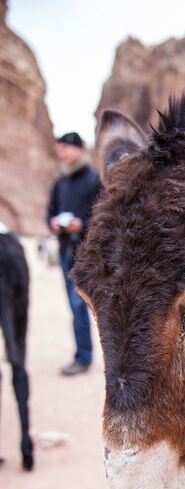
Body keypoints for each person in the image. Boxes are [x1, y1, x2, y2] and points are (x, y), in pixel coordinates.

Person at [47, 132, 103, 375]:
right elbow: (49, 212)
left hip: (86, 253)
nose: (62, 153)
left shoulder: (93, 179)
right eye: (59, 149)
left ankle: (84, 357)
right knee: (74, 306)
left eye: (66, 148)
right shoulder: (60, 181)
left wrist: (82, 225)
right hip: (64, 250)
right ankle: (83, 353)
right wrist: (54, 223)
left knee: (81, 304)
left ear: (80, 149)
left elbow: (103, 215)